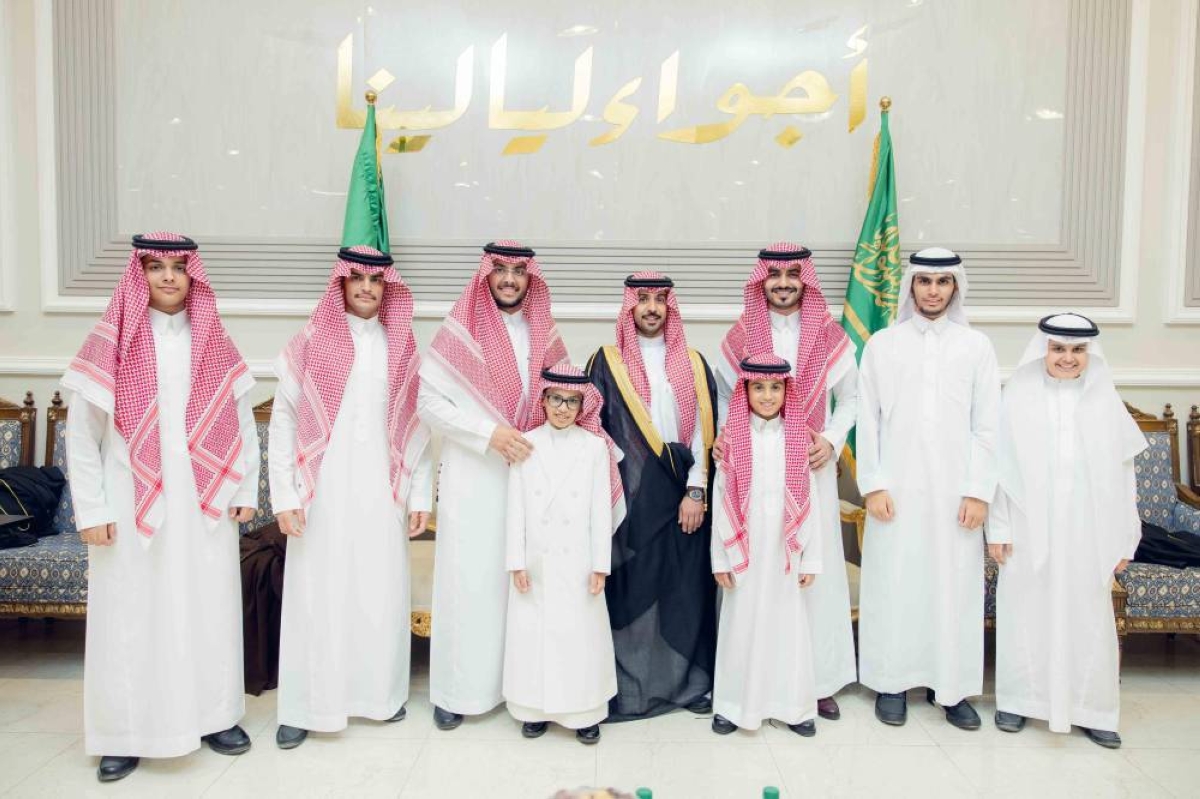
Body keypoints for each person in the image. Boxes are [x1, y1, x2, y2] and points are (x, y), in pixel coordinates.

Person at [63, 233, 259, 782]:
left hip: (204, 503)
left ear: (193, 275)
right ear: (139, 275)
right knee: (130, 615)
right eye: (156, 266)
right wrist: (92, 510)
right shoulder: (112, 341)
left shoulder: (214, 341)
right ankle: (122, 734)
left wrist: (244, 490)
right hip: (129, 501)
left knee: (208, 606)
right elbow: (81, 435)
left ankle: (216, 717)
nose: (169, 276)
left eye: (178, 266)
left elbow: (242, 422)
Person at [269, 246, 433, 749]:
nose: (366, 287)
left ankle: (379, 698)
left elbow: (417, 428)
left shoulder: (400, 345)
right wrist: (285, 496)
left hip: (383, 493)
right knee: (316, 594)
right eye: (356, 277)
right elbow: (284, 421)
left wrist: (420, 495)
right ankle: (304, 706)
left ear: (387, 287)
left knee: (378, 591)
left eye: (375, 280)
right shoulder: (310, 342)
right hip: (320, 492)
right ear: (340, 282)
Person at [418, 240, 568, 729]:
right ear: (486, 275)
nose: (508, 278)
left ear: (530, 278)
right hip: (473, 476)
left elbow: (567, 397)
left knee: (523, 583)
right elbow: (428, 404)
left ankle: (521, 691)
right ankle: (457, 692)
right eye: (500, 269)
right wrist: (489, 434)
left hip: (528, 475)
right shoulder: (460, 331)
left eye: (518, 271)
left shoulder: (544, 332)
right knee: (469, 582)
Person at [856, 247, 1000, 729]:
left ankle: (950, 688)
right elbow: (867, 421)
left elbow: (988, 426)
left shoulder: (976, 346)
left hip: (956, 495)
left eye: (942, 282)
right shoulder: (883, 345)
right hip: (895, 492)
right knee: (895, 584)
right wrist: (873, 484)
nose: (933, 291)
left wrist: (978, 491)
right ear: (911, 287)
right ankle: (891, 683)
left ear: (955, 287)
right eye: (924, 281)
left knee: (952, 588)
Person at [988, 313, 1146, 749]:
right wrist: (998, 528)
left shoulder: (1105, 401)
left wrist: (1125, 537)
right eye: (1058, 349)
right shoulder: (1016, 398)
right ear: (1043, 351)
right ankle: (1018, 701)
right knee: (1025, 612)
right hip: (1027, 528)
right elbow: (998, 471)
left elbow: (1125, 478)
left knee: (1088, 617)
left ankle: (1093, 710)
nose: (1068, 358)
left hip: (1088, 531)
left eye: (1077, 350)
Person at [714, 243, 858, 720]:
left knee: (811, 571)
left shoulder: (830, 334)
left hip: (811, 467)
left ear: (805, 280)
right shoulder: (741, 336)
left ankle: (815, 682)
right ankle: (748, 682)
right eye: (773, 275)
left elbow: (852, 399)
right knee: (752, 570)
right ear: (761, 281)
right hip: (752, 464)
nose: (782, 283)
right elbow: (725, 399)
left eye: (792, 275)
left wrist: (831, 441)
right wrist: (725, 440)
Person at [587, 273, 718, 721]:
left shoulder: (694, 363)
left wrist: (696, 490)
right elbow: (597, 430)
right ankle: (628, 689)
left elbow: (704, 435)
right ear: (629, 307)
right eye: (642, 299)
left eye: (660, 299)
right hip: (629, 500)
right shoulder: (607, 362)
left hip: (683, 499)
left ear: (670, 307)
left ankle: (687, 686)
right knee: (632, 594)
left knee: (683, 591)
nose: (651, 307)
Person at [503, 363, 625, 744]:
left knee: (579, 636)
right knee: (534, 635)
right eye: (555, 399)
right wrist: (516, 561)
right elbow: (515, 507)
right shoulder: (525, 442)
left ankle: (584, 713)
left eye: (572, 401)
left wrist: (600, 565)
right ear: (543, 400)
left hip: (578, 562)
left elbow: (600, 511)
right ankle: (533, 709)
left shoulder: (594, 447)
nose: (562, 408)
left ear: (582, 406)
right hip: (536, 560)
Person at [710, 355, 821, 736]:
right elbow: (721, 498)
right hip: (744, 550)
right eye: (758, 387)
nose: (768, 395)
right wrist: (719, 558)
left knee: (788, 626)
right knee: (740, 624)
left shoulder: (798, 438)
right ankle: (731, 706)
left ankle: (793, 707)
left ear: (787, 391)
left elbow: (811, 500)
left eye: (775, 387)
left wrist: (811, 559)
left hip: (786, 551)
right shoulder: (732, 441)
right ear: (745, 391)